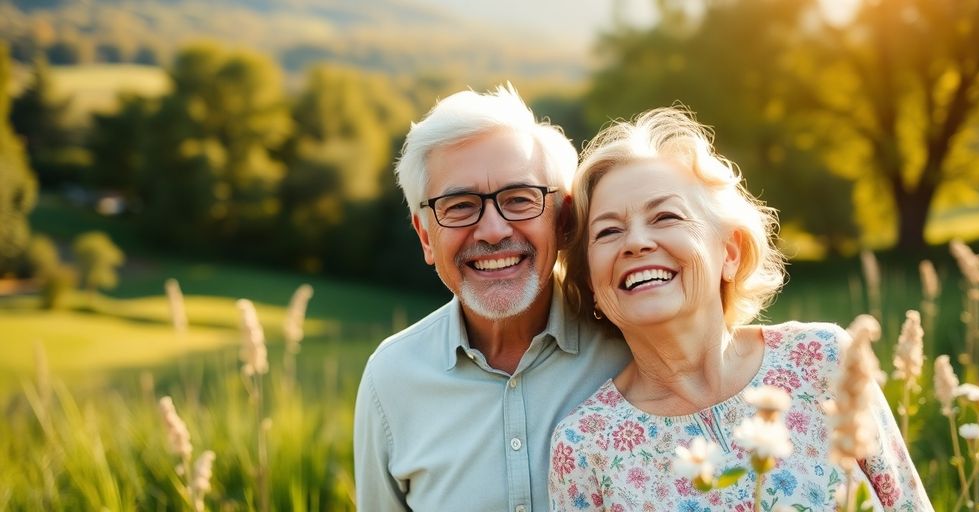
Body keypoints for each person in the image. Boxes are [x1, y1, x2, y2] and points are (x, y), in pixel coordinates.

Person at [548, 107, 931, 510]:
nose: (636, 242)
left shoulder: (824, 359)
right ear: (591, 283)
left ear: (729, 253)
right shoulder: (584, 445)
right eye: (608, 231)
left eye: (665, 216)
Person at [353, 85, 632, 511]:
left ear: (563, 219)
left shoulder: (631, 347)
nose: (493, 230)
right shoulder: (390, 379)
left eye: (519, 199)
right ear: (426, 236)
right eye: (460, 205)